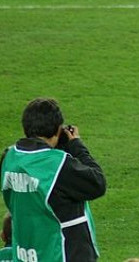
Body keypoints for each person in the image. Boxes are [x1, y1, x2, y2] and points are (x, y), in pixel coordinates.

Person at [0, 98, 106, 261]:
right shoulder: (58, 164)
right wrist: (76, 145)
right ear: (58, 129)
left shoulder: (9, 158)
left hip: (28, 253)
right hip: (62, 252)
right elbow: (97, 183)